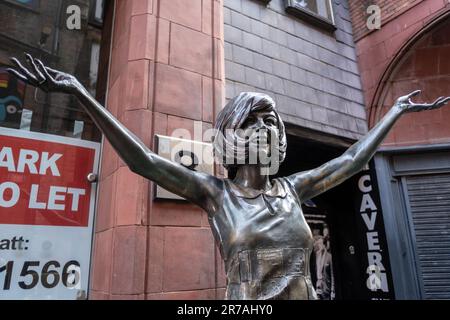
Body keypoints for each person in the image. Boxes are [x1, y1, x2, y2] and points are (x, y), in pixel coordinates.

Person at [7, 54, 450, 300]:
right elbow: (143, 160)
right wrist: (81, 92)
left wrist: (394, 112)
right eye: (256, 118)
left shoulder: (293, 189)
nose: (268, 126)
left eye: (272, 119)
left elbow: (351, 161)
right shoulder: (215, 195)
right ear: (233, 132)